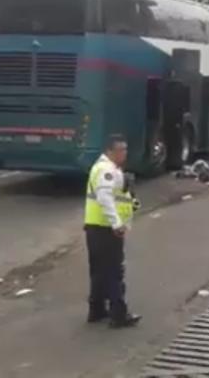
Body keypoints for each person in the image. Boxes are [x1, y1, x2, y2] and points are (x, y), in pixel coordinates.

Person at [84, 135, 141, 328]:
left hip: (97, 227)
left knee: (99, 271)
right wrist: (117, 224)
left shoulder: (111, 169)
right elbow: (105, 198)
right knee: (114, 272)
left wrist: (132, 204)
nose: (124, 153)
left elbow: (116, 198)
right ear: (110, 151)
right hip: (105, 228)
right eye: (120, 150)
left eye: (125, 149)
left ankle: (96, 310)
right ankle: (119, 314)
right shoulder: (105, 170)